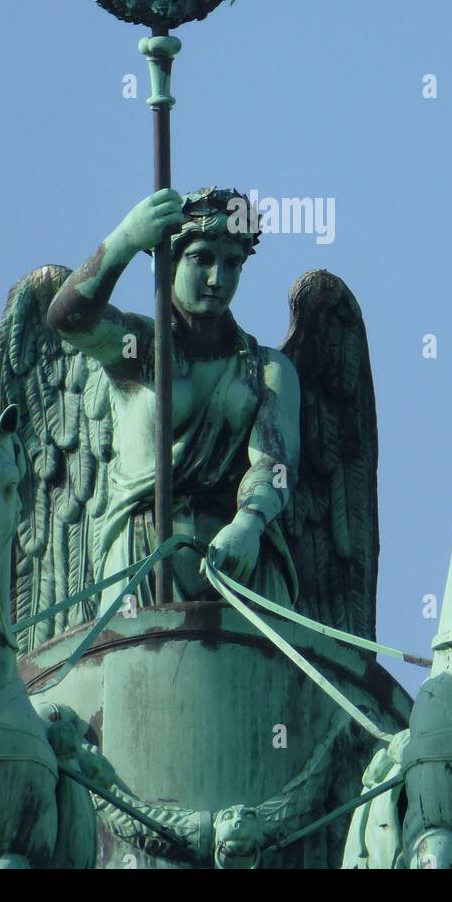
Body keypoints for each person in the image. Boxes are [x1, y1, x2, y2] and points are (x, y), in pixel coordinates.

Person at [46, 186, 300, 606]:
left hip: (241, 564)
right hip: (144, 559)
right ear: (169, 260)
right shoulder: (137, 348)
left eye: (232, 263)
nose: (219, 279)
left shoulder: (267, 370)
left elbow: (274, 464)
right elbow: (68, 318)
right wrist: (126, 238)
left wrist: (250, 523)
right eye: (202, 258)